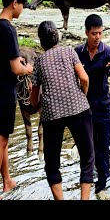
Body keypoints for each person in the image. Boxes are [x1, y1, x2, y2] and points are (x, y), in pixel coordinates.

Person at [30, 20, 94, 200]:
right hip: (79, 109)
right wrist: (82, 96)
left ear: (41, 40)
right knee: (87, 156)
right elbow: (84, 78)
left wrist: (35, 104)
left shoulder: (39, 61)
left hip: (52, 116)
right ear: (57, 35)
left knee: (52, 163)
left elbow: (34, 99)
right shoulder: (69, 51)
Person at [0, 0, 33, 200]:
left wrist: (18, 61)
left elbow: (4, 59)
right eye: (22, 5)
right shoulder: (9, 28)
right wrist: (28, 68)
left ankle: (7, 180)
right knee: (1, 141)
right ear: (15, 3)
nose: (22, 9)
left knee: (1, 136)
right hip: (3, 92)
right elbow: (16, 69)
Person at [75, 14, 110, 200]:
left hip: (103, 107)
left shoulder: (107, 51)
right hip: (83, 107)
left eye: (100, 33)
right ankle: (86, 182)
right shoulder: (77, 52)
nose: (97, 37)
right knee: (86, 147)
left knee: (103, 147)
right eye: (94, 33)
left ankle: (101, 186)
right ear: (86, 33)